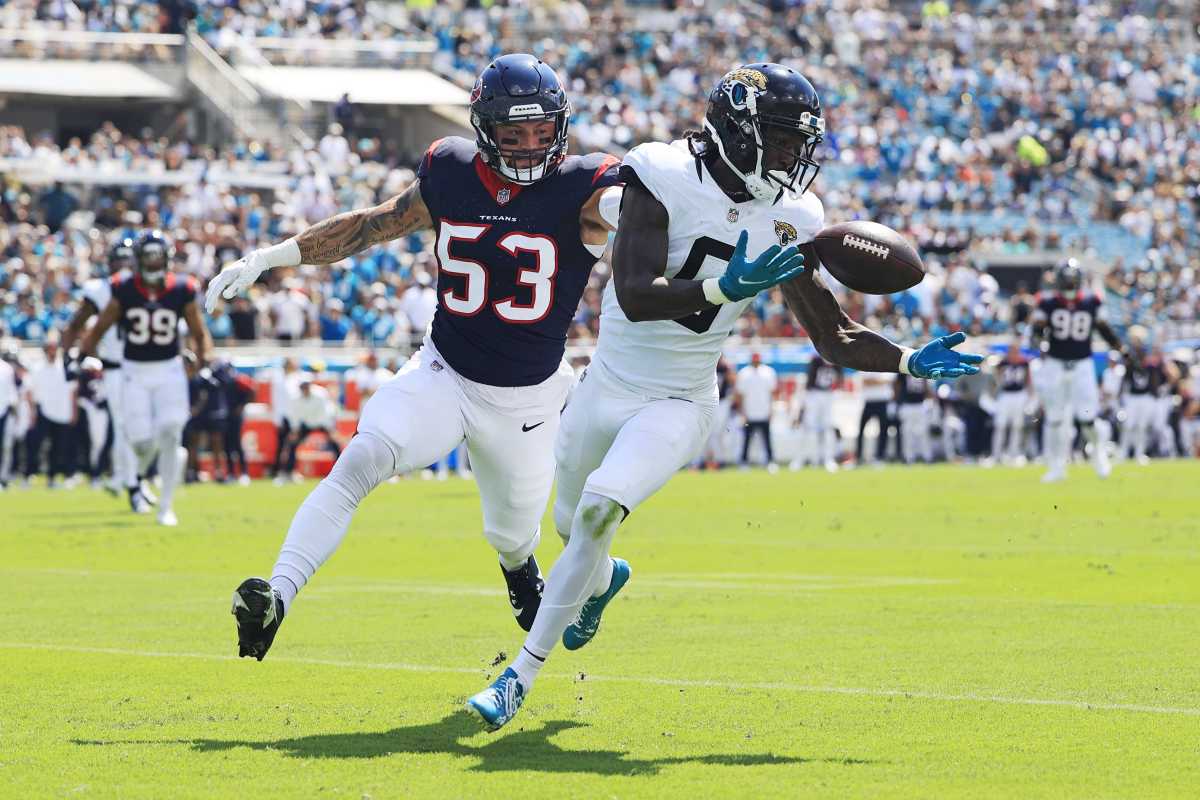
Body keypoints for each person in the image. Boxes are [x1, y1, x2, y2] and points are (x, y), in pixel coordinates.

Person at [466, 63, 982, 731]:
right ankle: (601, 583)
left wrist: (910, 359)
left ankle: (519, 676)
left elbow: (832, 334)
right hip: (607, 386)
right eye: (783, 138)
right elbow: (638, 294)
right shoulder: (660, 173)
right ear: (738, 130)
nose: (797, 156)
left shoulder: (791, 213)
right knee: (569, 531)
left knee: (595, 515)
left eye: (803, 142)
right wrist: (725, 289)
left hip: (679, 398)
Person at [206, 54, 623, 661]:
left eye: (541, 132)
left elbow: (639, 216)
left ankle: (518, 570)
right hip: (444, 372)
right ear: (484, 130)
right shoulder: (450, 171)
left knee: (511, 532)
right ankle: (278, 593)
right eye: (513, 134)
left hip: (527, 399)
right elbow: (372, 226)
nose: (530, 147)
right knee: (361, 459)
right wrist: (270, 258)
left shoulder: (586, 187)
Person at [79, 230, 212, 526]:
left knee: (171, 430)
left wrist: (205, 362)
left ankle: (166, 507)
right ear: (138, 261)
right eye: (147, 258)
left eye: (157, 257)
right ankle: (138, 474)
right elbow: (99, 328)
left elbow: (199, 332)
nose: (153, 264)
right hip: (134, 371)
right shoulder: (124, 288)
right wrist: (83, 353)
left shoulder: (182, 288)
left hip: (169, 370)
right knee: (141, 440)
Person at [62, 238, 144, 506]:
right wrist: (69, 356)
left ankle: (128, 477)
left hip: (146, 366)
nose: (122, 266)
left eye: (126, 260)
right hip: (116, 368)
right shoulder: (100, 290)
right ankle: (132, 485)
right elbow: (76, 324)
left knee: (148, 427)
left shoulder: (145, 287)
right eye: (118, 260)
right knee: (125, 427)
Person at [1031, 258, 1122, 482]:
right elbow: (1036, 333)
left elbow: (1104, 329)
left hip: (1082, 364)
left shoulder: (1092, 301)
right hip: (1055, 363)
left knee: (1087, 418)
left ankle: (1099, 454)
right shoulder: (1047, 302)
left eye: (1073, 280)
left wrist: (1120, 347)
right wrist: (1037, 339)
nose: (1070, 284)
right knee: (1054, 418)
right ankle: (1056, 467)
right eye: (1067, 280)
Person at [26, 340, 76, 488]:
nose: (53, 352)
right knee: (35, 444)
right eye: (50, 349)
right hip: (43, 411)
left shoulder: (65, 368)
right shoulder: (37, 368)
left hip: (62, 413)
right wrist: (33, 412)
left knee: (58, 447)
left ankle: (52, 477)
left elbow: (73, 391)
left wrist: (73, 412)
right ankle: (29, 474)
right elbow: (30, 390)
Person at [282, 377, 341, 476]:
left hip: (322, 423)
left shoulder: (320, 394)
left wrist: (330, 429)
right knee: (292, 444)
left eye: (306, 386)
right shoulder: (295, 398)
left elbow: (326, 412)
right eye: (303, 387)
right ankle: (288, 472)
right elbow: (294, 415)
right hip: (306, 424)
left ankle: (340, 471)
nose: (305, 389)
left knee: (335, 444)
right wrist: (295, 430)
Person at [794, 352, 842, 471]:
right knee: (808, 426)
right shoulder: (815, 359)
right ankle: (801, 458)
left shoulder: (837, 358)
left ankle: (827, 459)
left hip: (828, 394)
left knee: (827, 426)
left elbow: (840, 379)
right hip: (813, 394)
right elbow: (810, 380)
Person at [990, 342, 1032, 465]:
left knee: (1017, 426)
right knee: (1000, 425)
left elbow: (1028, 380)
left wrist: (1030, 396)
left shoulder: (1024, 363)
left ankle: (1014, 454)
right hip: (1005, 394)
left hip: (1019, 395)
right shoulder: (1003, 363)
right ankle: (996, 454)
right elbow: (996, 379)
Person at [736, 352, 778, 470]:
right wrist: (742, 412)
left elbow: (772, 393)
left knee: (767, 438)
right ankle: (744, 462)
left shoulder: (768, 372)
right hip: (749, 412)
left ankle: (770, 461)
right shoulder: (744, 373)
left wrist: (771, 410)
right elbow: (740, 395)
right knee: (747, 439)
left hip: (764, 410)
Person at [854, 371, 893, 466]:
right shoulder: (866, 365)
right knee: (861, 430)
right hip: (869, 401)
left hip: (883, 401)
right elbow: (865, 382)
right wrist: (879, 382)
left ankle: (880, 457)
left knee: (883, 431)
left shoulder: (886, 365)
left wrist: (873, 381)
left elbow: (888, 380)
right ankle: (859, 457)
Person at [895, 372, 933, 464]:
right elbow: (897, 385)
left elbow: (926, 385)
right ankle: (909, 457)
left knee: (923, 432)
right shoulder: (903, 371)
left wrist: (930, 400)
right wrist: (895, 401)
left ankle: (927, 456)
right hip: (907, 405)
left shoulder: (921, 368)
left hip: (921, 404)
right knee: (907, 432)